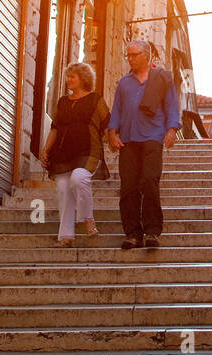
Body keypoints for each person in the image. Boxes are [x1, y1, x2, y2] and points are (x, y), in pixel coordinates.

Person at [107, 40, 179, 250]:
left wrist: (172, 129)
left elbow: (171, 106)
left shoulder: (162, 78)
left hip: (153, 137)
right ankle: (132, 233)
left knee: (149, 181)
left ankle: (152, 232)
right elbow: (117, 110)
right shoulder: (124, 83)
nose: (130, 59)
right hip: (128, 139)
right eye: (128, 55)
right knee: (128, 186)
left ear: (146, 55)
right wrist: (112, 132)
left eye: (134, 55)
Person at [40, 62, 110, 248]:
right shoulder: (63, 102)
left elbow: (107, 122)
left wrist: (113, 139)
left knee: (78, 179)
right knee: (63, 189)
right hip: (63, 152)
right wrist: (46, 150)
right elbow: (55, 128)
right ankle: (66, 236)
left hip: (88, 150)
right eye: (67, 76)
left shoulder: (96, 99)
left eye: (72, 76)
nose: (68, 79)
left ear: (83, 78)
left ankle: (88, 218)